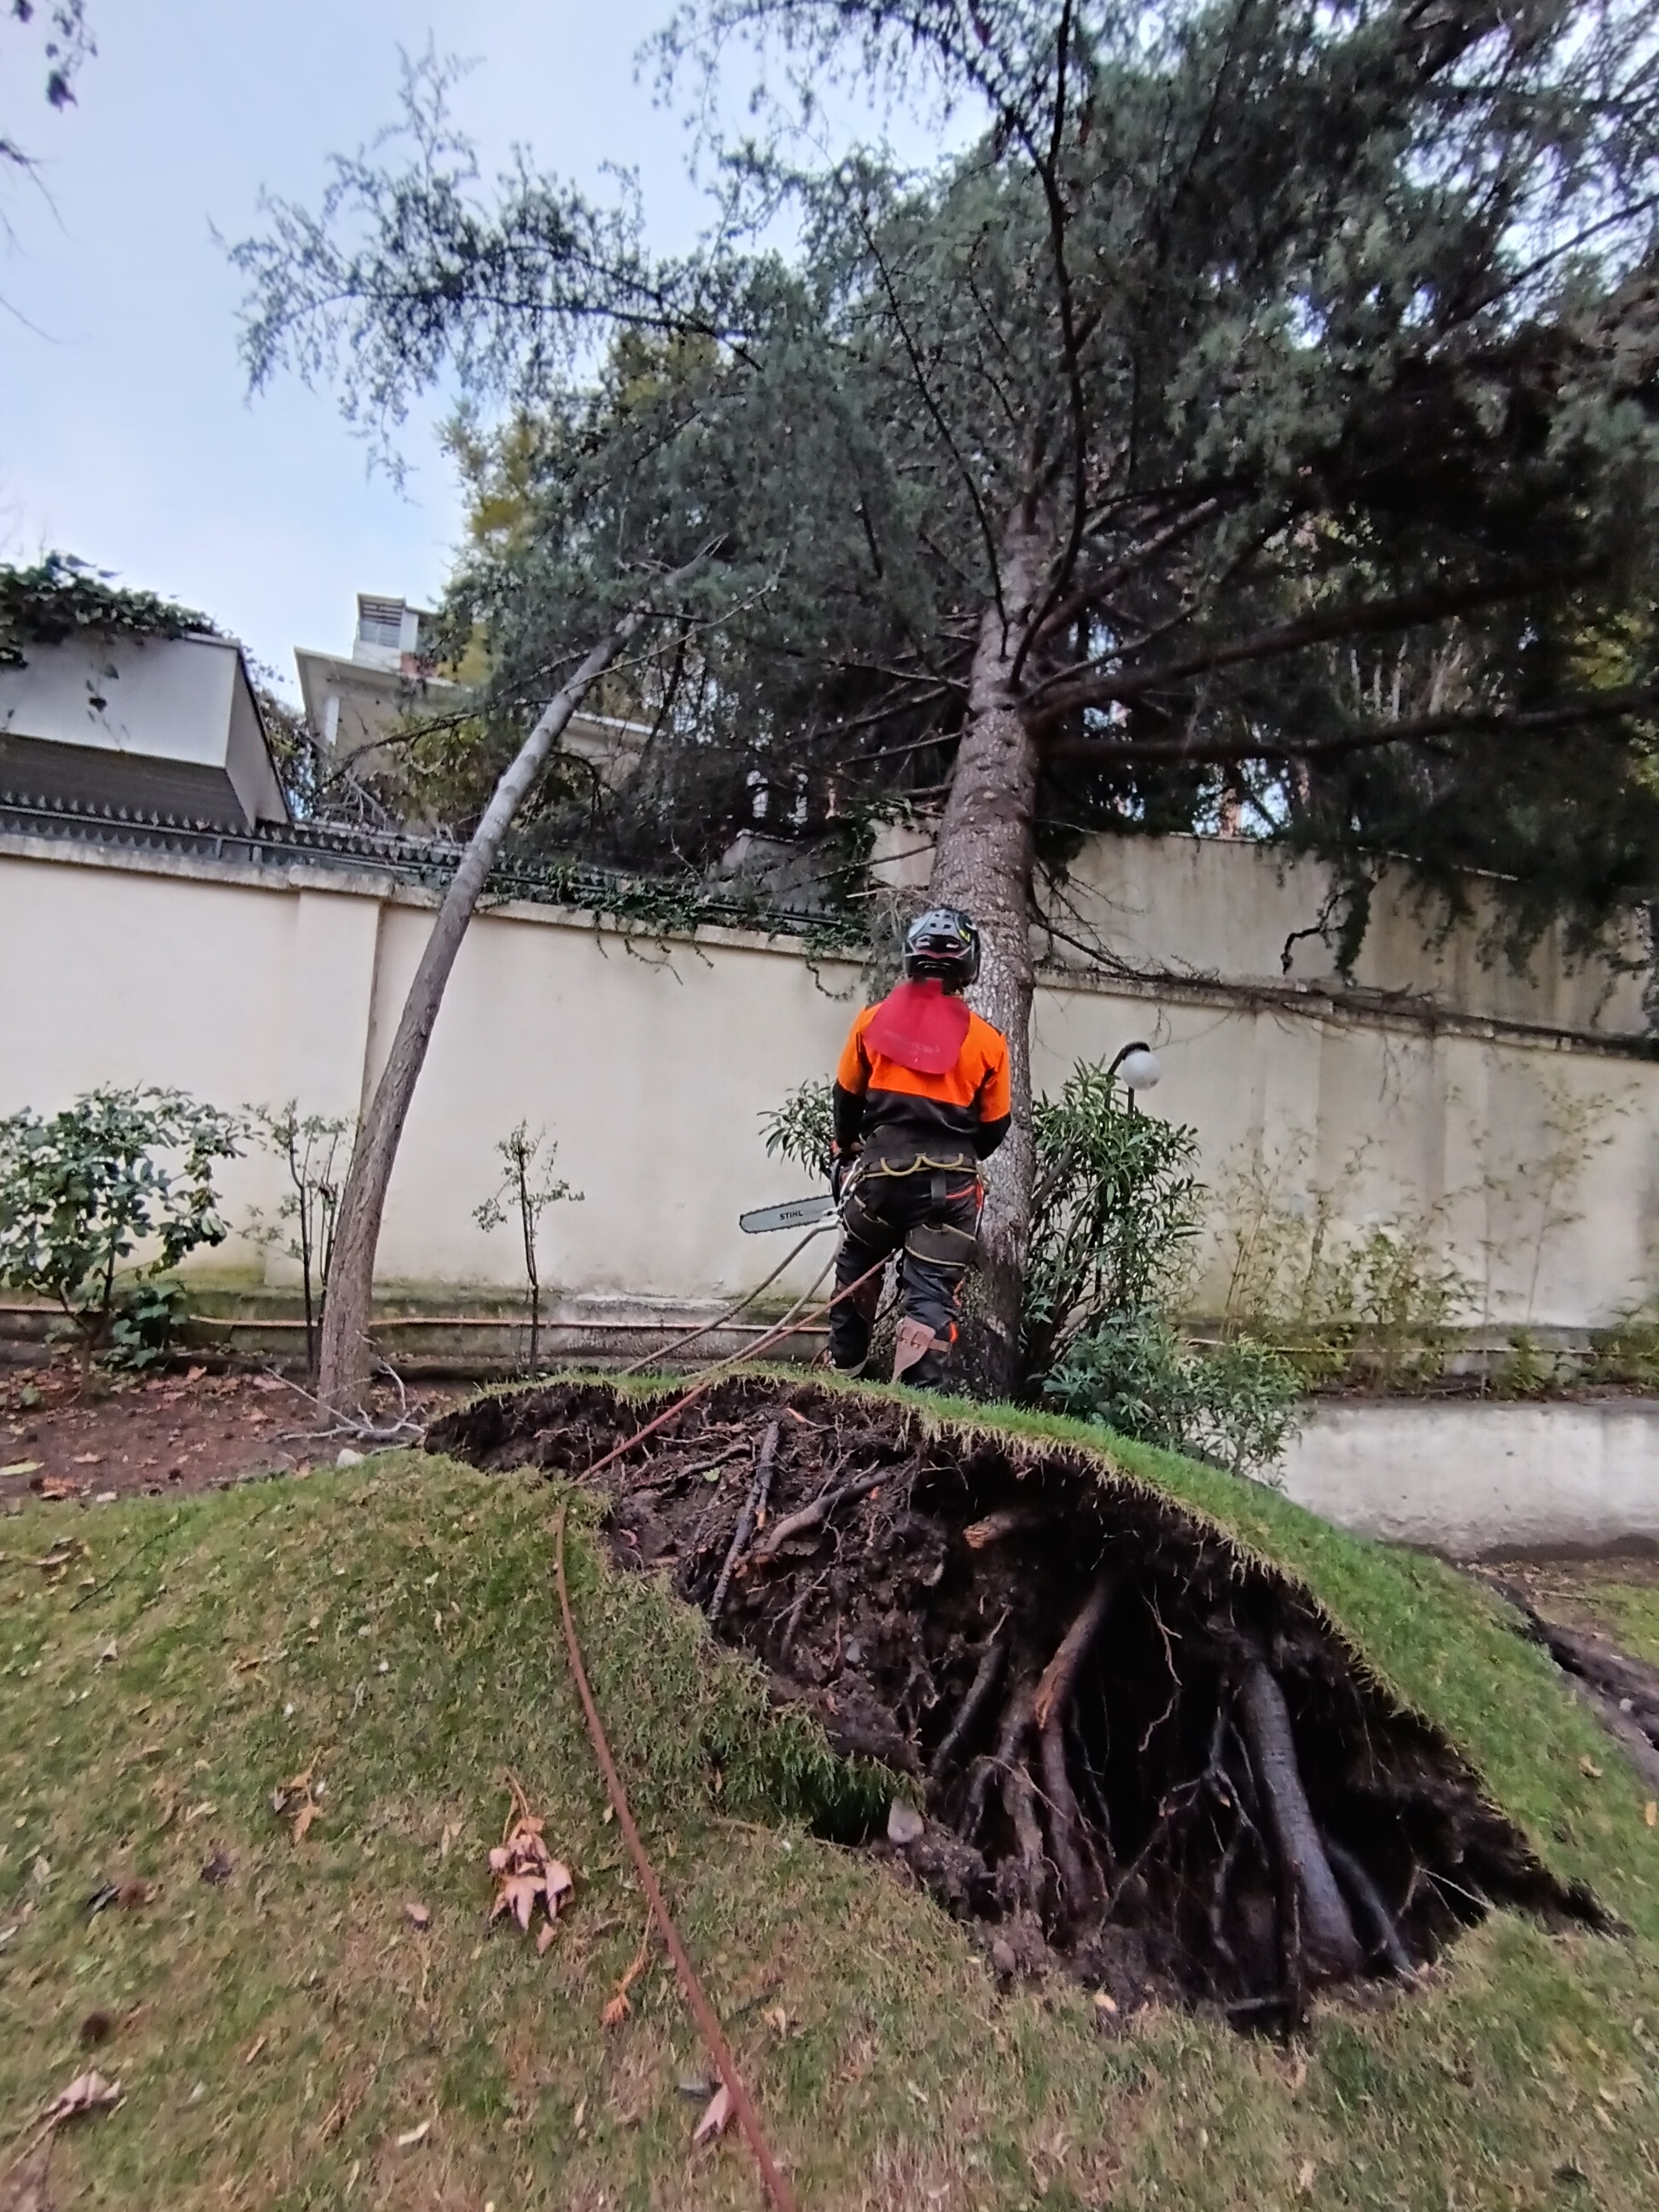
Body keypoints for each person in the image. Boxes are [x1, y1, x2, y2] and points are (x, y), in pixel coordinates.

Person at [828, 906, 1011, 1388]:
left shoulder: (870, 1023)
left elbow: (846, 1099)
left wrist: (843, 1148)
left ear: (911, 957)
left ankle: (845, 1375)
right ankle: (919, 1405)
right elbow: (994, 1129)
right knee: (930, 1293)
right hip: (949, 1189)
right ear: (968, 965)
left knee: (858, 1265)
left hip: (878, 1179)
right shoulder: (989, 1043)